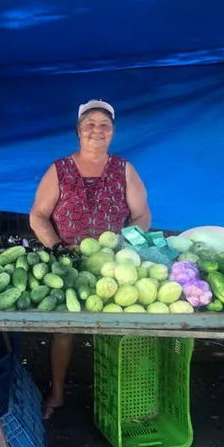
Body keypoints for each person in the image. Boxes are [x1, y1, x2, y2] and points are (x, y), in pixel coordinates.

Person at [29, 99, 151, 419]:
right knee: (64, 328)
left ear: (113, 132)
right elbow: (39, 216)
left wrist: (124, 247)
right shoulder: (59, 169)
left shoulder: (125, 169)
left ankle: (121, 396)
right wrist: (57, 248)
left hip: (112, 264)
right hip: (69, 262)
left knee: (118, 328)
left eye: (104, 125)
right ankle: (57, 393)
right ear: (78, 132)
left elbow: (141, 216)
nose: (97, 131)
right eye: (90, 125)